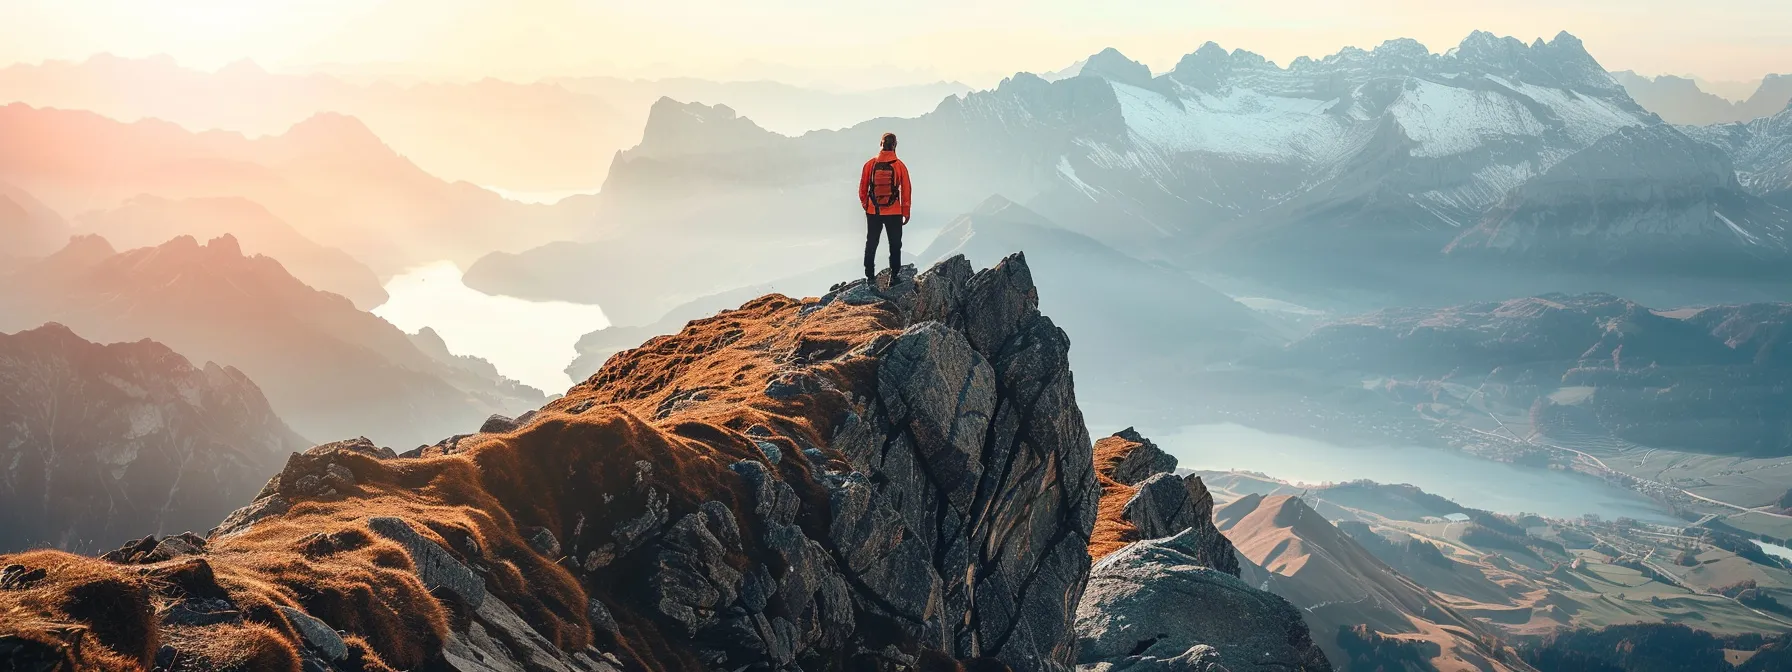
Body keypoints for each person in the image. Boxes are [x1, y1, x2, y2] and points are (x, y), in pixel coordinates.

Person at [859, 132, 912, 285]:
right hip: (894, 211)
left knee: (872, 242)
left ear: (880, 144)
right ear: (895, 145)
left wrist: (867, 205)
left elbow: (863, 188)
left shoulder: (870, 164)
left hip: (873, 211)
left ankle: (869, 276)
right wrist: (905, 212)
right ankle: (894, 276)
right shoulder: (900, 166)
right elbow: (906, 190)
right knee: (895, 244)